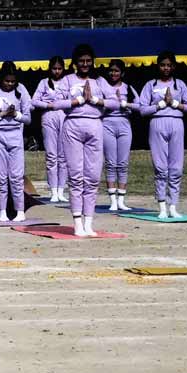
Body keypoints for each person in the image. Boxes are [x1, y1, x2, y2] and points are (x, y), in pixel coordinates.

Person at [53, 44, 118, 237]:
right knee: (76, 176)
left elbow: (115, 102)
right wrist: (78, 101)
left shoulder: (99, 81)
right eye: (81, 61)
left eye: (88, 61)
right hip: (72, 126)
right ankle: (77, 222)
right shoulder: (67, 80)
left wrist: (97, 101)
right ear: (75, 62)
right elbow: (56, 102)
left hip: (95, 126)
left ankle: (89, 222)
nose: (85, 64)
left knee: (92, 176)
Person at [138, 51, 187, 219]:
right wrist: (162, 104)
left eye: (169, 65)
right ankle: (162, 205)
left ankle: (173, 205)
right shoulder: (151, 84)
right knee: (160, 167)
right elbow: (142, 109)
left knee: (176, 167)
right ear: (158, 66)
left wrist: (175, 103)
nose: (166, 68)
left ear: (174, 67)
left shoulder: (180, 84)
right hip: (158, 123)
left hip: (176, 123)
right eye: (163, 65)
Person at [0, 62, 31, 222]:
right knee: (2, 176)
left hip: (15, 134)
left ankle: (20, 210)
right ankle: (2, 211)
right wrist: (1, 114)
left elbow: (28, 118)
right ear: (1, 79)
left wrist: (16, 114)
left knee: (16, 176)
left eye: (12, 81)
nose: (10, 84)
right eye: (7, 81)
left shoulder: (21, 90)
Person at [103, 59, 140, 211]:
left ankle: (121, 201)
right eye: (111, 70)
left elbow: (140, 105)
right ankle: (112, 200)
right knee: (111, 163)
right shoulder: (102, 86)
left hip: (124, 124)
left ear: (122, 73)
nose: (113, 73)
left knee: (123, 163)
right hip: (107, 124)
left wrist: (126, 104)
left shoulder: (128, 88)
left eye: (117, 71)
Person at [31, 57, 69, 203]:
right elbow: (34, 100)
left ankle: (61, 190)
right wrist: (48, 105)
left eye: (60, 68)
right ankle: (53, 190)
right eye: (54, 68)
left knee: (63, 156)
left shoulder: (67, 82)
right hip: (49, 117)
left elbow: (73, 99)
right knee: (51, 155)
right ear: (50, 69)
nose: (57, 71)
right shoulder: (43, 82)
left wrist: (61, 104)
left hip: (64, 116)